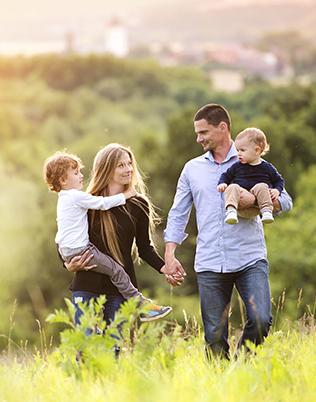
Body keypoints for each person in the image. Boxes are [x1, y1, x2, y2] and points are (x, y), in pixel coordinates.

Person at [163, 104, 292, 358]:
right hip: (210, 260)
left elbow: (286, 200)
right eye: (197, 133)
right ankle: (221, 387)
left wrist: (266, 201)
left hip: (249, 256)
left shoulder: (256, 160)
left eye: (203, 132)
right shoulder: (192, 169)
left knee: (261, 318)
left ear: (223, 128)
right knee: (214, 335)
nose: (198, 138)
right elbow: (178, 212)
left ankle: (240, 368)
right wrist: (170, 253)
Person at [43, 150, 172, 323]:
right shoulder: (88, 201)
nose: (128, 169)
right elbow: (65, 235)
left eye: (129, 163)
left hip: (120, 291)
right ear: (107, 169)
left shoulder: (138, 204)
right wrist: (67, 264)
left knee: (115, 347)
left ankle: (141, 305)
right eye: (121, 165)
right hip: (87, 285)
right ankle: (142, 305)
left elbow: (144, 248)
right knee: (87, 345)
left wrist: (165, 267)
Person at [217, 127, 284, 225]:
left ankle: (266, 212)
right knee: (232, 187)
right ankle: (231, 211)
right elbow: (226, 175)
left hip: (256, 208)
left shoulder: (267, 167)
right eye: (237, 150)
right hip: (240, 204)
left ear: (257, 150)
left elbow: (279, 180)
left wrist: (277, 190)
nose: (238, 154)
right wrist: (222, 183)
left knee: (262, 186)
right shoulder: (237, 166)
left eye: (242, 150)